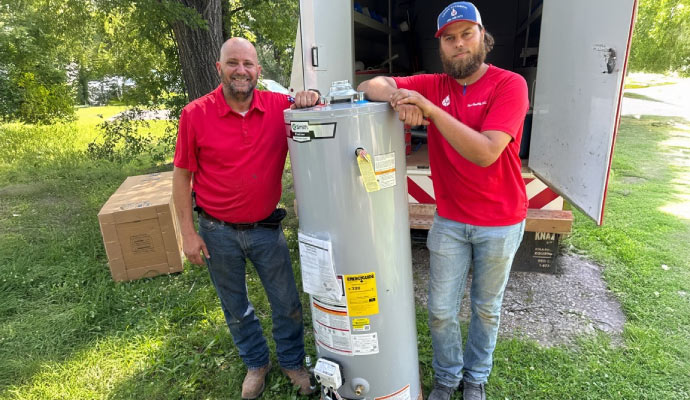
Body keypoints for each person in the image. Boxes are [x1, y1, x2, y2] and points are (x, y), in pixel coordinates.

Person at [358, 2, 529, 400]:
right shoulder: (435, 83)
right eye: (449, 39)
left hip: (500, 220)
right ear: (442, 47)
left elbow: (487, 151)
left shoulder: (510, 84)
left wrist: (429, 110)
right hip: (450, 218)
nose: (458, 45)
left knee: (486, 309)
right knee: (439, 312)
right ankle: (449, 378)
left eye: (466, 34)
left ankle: (476, 378)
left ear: (483, 36)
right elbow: (372, 85)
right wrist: (401, 97)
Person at [172, 37, 320, 399]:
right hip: (216, 230)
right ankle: (256, 363)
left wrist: (310, 95)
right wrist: (187, 235)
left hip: (266, 229)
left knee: (286, 303)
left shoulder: (279, 107)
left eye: (248, 64)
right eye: (233, 63)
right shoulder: (195, 114)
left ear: (259, 70)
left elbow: (316, 106)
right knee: (235, 307)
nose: (241, 70)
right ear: (218, 68)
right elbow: (181, 178)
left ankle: (291, 362)